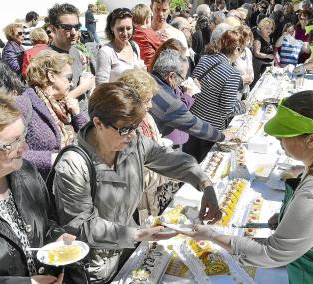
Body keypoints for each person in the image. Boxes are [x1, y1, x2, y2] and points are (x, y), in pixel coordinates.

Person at [175, 91, 313, 284]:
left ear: (312, 140)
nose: (278, 142)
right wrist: (289, 217)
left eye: (283, 136)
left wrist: (211, 235)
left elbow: (270, 253)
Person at [52, 82, 222, 283]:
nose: (132, 134)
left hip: (129, 250)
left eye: (135, 127)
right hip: (95, 268)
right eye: (125, 129)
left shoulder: (131, 140)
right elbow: (83, 227)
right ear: (98, 123)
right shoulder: (73, 165)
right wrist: (137, 233)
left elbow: (170, 159)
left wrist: (205, 183)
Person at [0, 88, 75, 283]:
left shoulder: (24, 172)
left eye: (22, 136)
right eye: (11, 143)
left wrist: (56, 240)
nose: (24, 147)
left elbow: (47, 222)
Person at [15, 50, 89, 178]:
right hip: (43, 187)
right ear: (51, 76)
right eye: (68, 78)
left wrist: (77, 114)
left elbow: (91, 137)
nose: (71, 84)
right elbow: (12, 152)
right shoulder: (23, 104)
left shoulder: (64, 105)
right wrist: (53, 159)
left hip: (71, 180)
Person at [150, 48, 234, 153]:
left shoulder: (147, 79)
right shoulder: (169, 102)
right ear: (171, 76)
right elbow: (194, 125)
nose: (182, 82)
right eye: (182, 78)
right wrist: (222, 136)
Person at [185, 29, 248, 162]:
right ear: (236, 50)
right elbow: (228, 108)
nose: (241, 54)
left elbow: (195, 88)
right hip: (209, 129)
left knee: (188, 162)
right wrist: (243, 106)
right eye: (241, 50)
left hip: (192, 122)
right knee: (203, 164)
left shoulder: (205, 59)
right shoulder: (233, 74)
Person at [117, 69, 170, 221]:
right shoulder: (122, 130)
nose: (151, 106)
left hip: (153, 196)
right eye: (147, 100)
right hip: (134, 206)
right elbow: (135, 179)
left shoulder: (146, 118)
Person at [48, 3, 96, 115]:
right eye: (67, 28)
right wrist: (83, 88)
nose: (74, 32)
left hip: (85, 114)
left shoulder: (74, 49)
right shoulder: (47, 58)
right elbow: (48, 101)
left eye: (76, 26)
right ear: (53, 29)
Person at [95, 8, 144, 85]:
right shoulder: (106, 52)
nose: (125, 33)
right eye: (120, 29)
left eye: (128, 28)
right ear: (112, 28)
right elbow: (101, 86)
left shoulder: (134, 46)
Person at [131, 4, 162, 68]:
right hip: (150, 68)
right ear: (147, 19)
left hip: (134, 67)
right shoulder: (150, 33)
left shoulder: (130, 33)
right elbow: (162, 48)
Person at [233, 25, 254, 98]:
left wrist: (251, 77)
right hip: (234, 93)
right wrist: (242, 79)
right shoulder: (232, 54)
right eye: (243, 40)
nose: (246, 42)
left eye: (248, 40)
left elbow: (250, 68)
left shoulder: (247, 51)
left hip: (245, 90)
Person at [252, 17, 275, 85]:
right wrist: (268, 56)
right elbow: (256, 53)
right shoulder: (258, 38)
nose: (269, 31)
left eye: (271, 28)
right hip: (259, 66)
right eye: (267, 28)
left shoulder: (270, 36)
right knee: (257, 84)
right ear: (261, 28)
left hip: (267, 65)